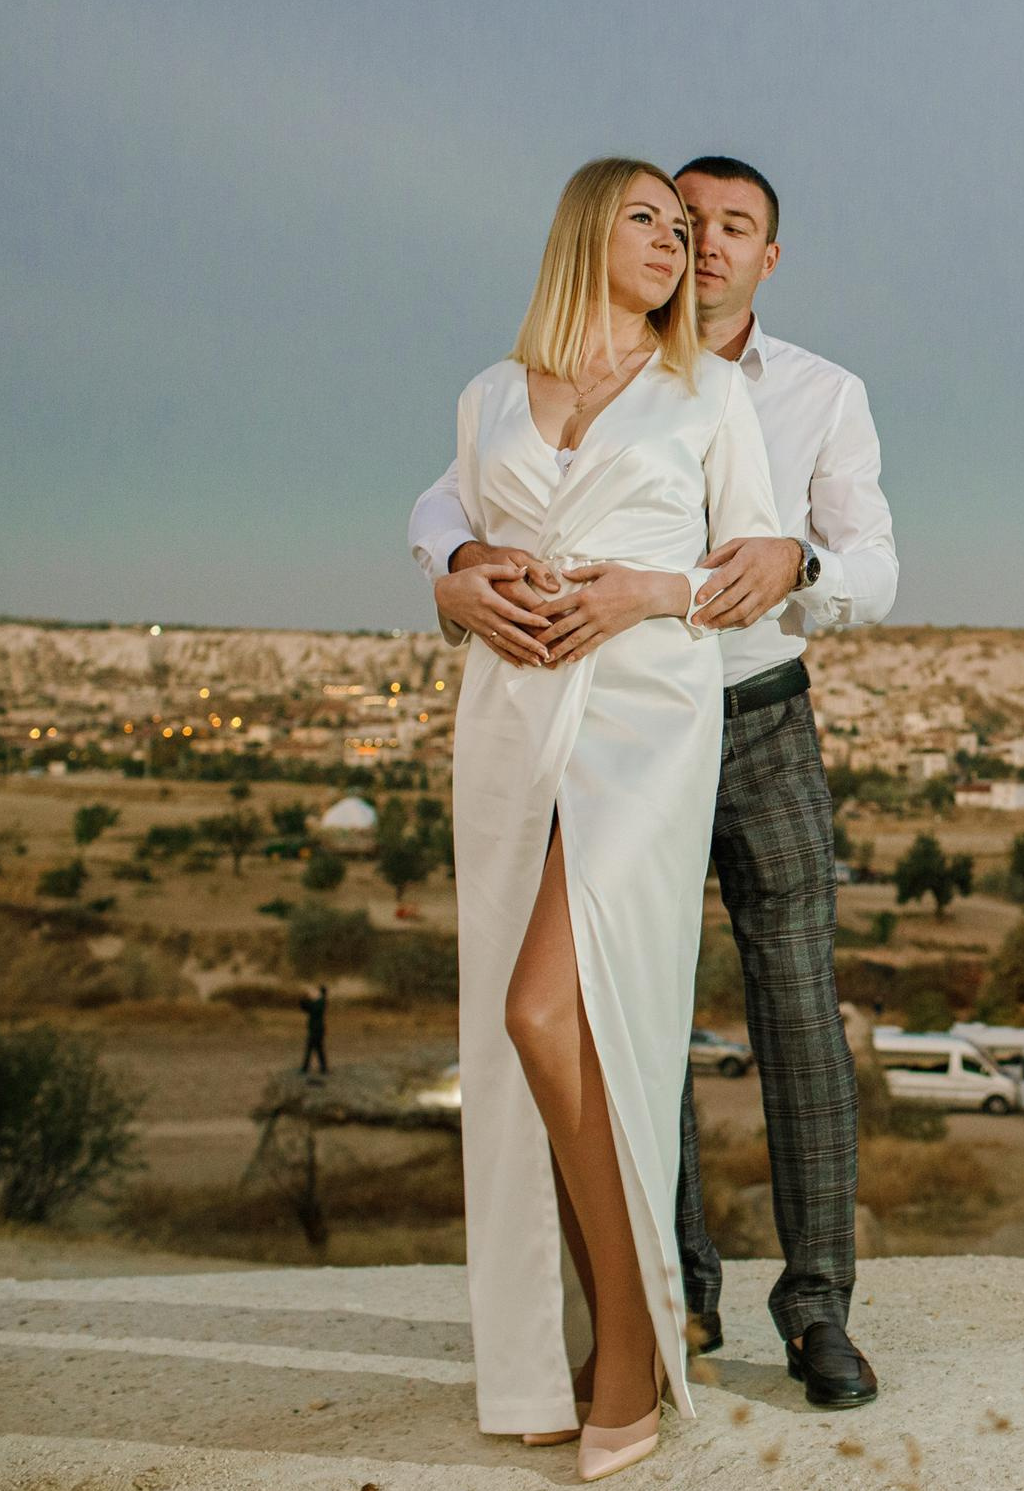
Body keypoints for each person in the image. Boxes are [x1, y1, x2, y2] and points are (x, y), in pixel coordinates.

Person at [412, 154, 897, 1414]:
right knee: (628, 1010)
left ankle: (817, 1308)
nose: (707, 243)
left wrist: (791, 563)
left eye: (734, 227)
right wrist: (454, 558)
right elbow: (464, 481)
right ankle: (675, 1291)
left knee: (795, 1010)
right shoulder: (539, 380)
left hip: (759, 714)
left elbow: (875, 565)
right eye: (685, 220)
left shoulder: (808, 393)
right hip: (605, 721)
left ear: (770, 256)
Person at [298, 984, 329, 1076]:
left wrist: (305, 998)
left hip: (316, 1029)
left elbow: (309, 1007)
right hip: (317, 1029)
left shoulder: (320, 1002)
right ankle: (323, 1068)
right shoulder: (321, 1001)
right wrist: (305, 999)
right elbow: (307, 1007)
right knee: (318, 1049)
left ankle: (305, 1068)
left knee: (311, 1048)